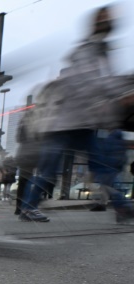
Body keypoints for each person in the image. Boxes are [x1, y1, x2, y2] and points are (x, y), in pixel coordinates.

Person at [20, 6, 133, 223]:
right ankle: (27, 207)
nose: (109, 22)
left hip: (84, 124)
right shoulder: (86, 51)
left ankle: (123, 207)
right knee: (49, 169)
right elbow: (93, 84)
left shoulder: (102, 50)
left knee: (103, 167)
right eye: (104, 18)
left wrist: (121, 92)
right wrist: (122, 93)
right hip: (63, 124)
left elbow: (104, 83)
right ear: (95, 24)